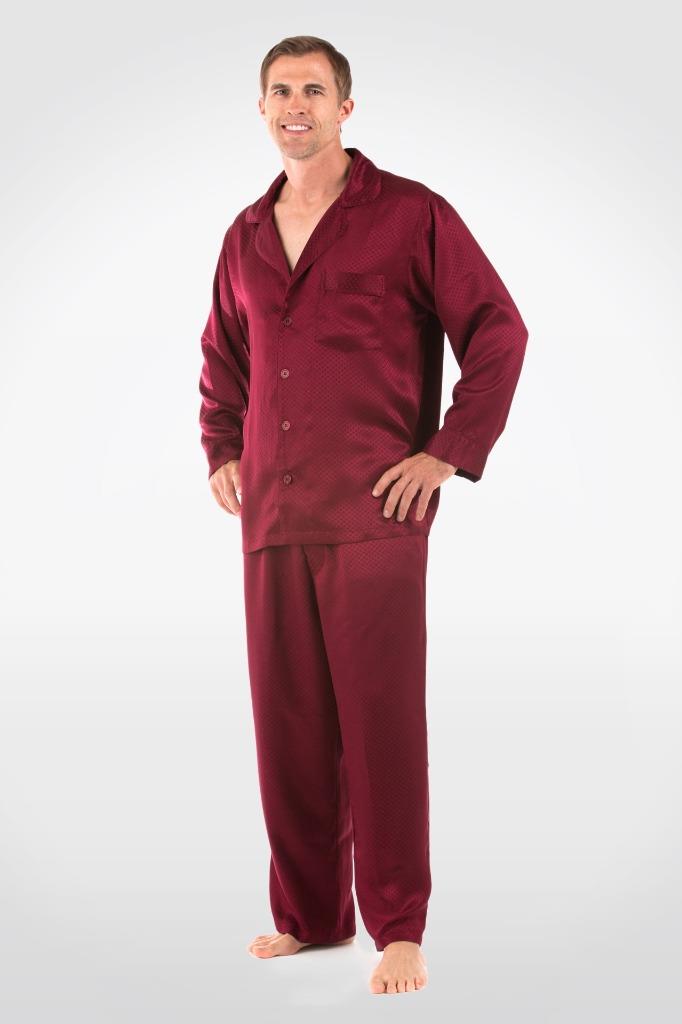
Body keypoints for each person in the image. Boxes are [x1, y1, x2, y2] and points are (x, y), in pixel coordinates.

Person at [198, 35, 528, 996]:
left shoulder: (413, 215)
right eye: (279, 90)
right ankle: (309, 915)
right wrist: (222, 447)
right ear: (262, 108)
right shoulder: (245, 235)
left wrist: (447, 450)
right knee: (287, 723)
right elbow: (224, 355)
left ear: (346, 108)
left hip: (376, 512)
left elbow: (498, 331)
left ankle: (399, 927)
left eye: (313, 89)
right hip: (273, 512)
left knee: (380, 724)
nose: (294, 104)